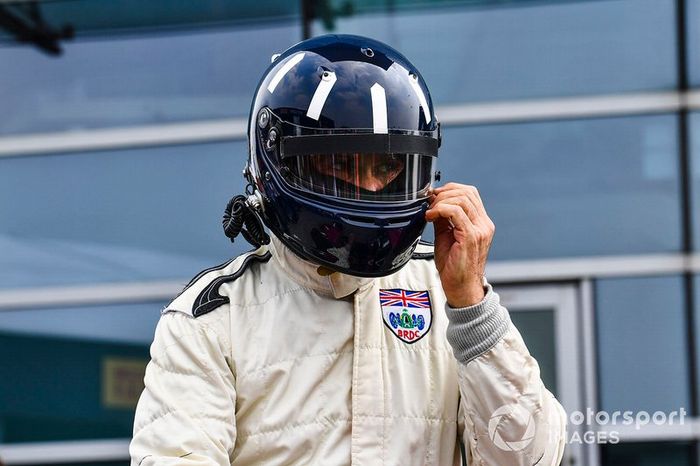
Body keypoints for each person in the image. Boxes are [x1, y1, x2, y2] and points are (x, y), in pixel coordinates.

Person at [130, 34, 566, 465]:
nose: (371, 187)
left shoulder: (443, 288)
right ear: (279, 160)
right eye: (341, 164)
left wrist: (471, 307)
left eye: (387, 166)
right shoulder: (213, 318)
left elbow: (529, 458)